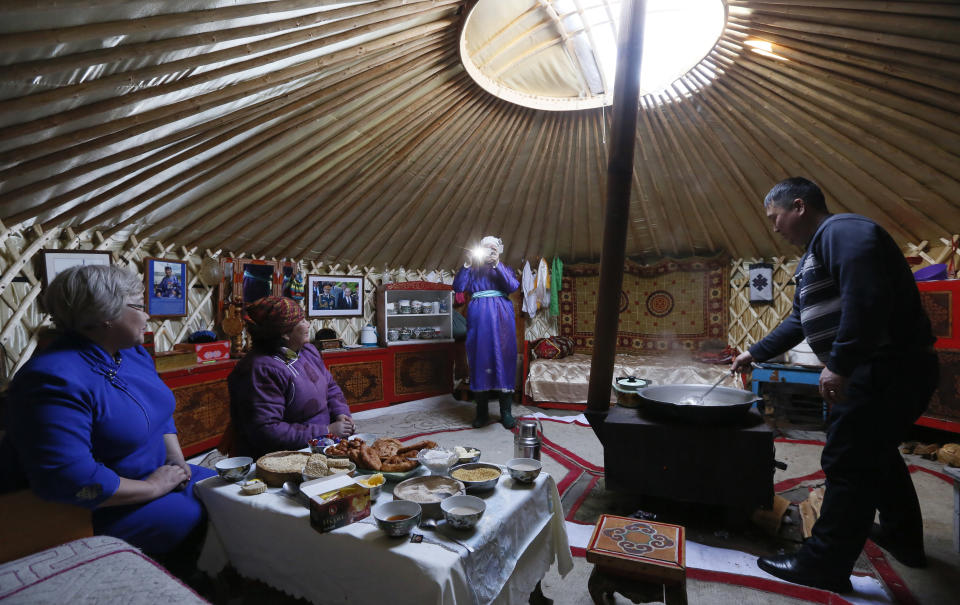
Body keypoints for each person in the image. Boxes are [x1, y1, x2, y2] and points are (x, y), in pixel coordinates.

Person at [731, 177, 938, 593]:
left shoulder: (842, 231)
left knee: (847, 461)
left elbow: (868, 294)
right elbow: (798, 321)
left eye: (776, 217)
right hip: (885, 368)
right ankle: (903, 538)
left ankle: (823, 563)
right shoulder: (817, 252)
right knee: (875, 455)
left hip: (882, 367)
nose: (774, 227)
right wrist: (755, 352)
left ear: (799, 206)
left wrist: (841, 364)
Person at [0, 265, 215, 561]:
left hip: (159, 476)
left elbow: (161, 412)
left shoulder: (131, 352)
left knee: (221, 488)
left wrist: (175, 459)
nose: (147, 315)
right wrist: (152, 487)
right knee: (194, 514)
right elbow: (69, 479)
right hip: (94, 508)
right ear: (105, 313)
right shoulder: (52, 379)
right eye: (139, 306)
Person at [227, 296, 355, 459]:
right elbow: (267, 430)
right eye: (301, 321)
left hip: (323, 444)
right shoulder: (260, 370)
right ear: (285, 333)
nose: (308, 324)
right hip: (283, 456)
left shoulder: (308, 351)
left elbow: (330, 386)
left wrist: (341, 413)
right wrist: (326, 431)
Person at [453, 236, 521, 429]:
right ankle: (481, 413)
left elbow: (512, 286)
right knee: (479, 358)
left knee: (505, 357)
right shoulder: (473, 269)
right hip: (479, 317)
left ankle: (506, 413)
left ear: (498, 250)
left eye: (493, 249)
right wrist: (467, 263)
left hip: (502, 317)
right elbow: (458, 287)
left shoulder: (505, 268)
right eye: (485, 248)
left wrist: (497, 264)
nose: (489, 252)